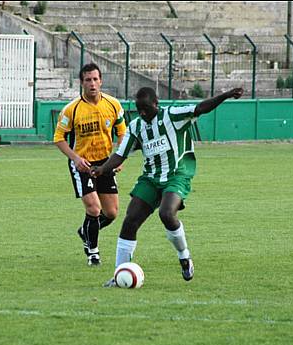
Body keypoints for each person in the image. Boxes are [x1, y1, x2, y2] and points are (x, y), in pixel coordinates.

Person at [91, 86, 244, 286]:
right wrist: (102, 169)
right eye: (139, 109)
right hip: (150, 178)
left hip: (176, 175)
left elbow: (200, 108)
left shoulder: (173, 115)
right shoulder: (136, 126)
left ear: (156, 104)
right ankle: (118, 274)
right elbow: (120, 155)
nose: (142, 113)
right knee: (130, 222)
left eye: (146, 108)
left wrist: (225, 95)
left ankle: (184, 256)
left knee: (166, 214)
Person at [54, 62, 127, 266]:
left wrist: (119, 157)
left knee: (111, 213)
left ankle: (85, 230)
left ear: (101, 81)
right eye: (88, 80)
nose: (92, 83)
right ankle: (93, 253)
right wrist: (75, 158)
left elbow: (123, 133)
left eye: (95, 79)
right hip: (82, 164)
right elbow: (59, 138)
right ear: (81, 83)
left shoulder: (113, 105)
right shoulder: (71, 109)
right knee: (94, 208)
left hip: (105, 163)